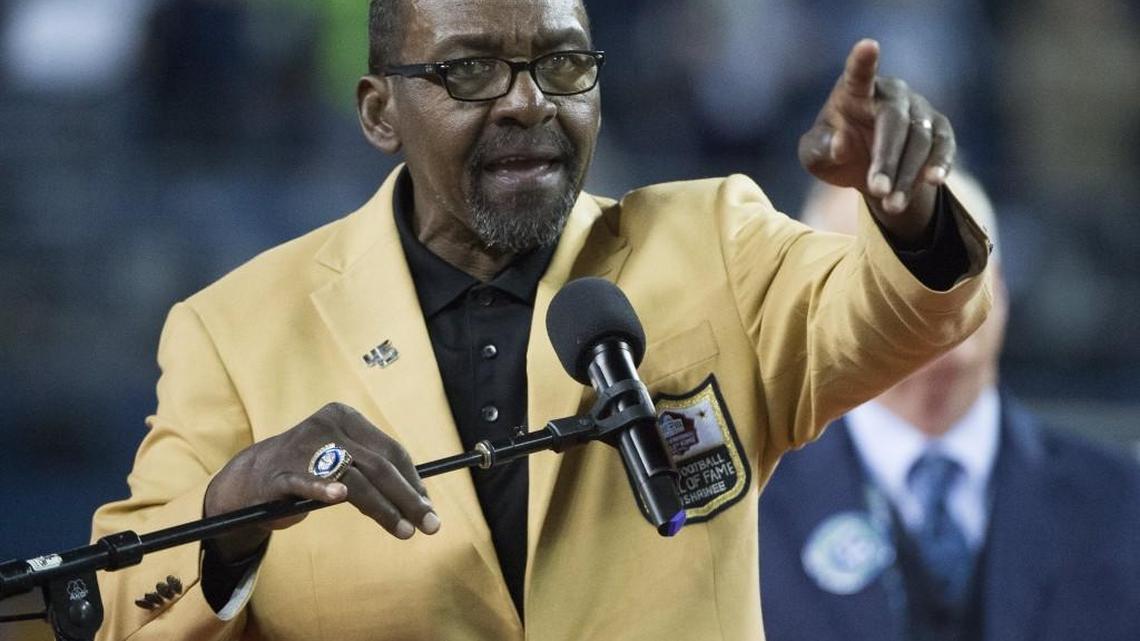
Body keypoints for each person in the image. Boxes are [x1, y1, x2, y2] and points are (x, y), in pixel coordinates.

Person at [90, 1, 994, 639]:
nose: (528, 101)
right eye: (470, 69)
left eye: (562, 62)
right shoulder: (235, 328)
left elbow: (892, 317)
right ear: (379, 112)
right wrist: (232, 506)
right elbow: (120, 608)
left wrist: (908, 217)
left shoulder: (714, 239)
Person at [759, 173, 1140, 641]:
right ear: (822, 305)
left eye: (958, 259)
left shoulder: (1121, 504)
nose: (935, 291)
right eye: (890, 271)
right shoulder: (749, 519)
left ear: (998, 283)